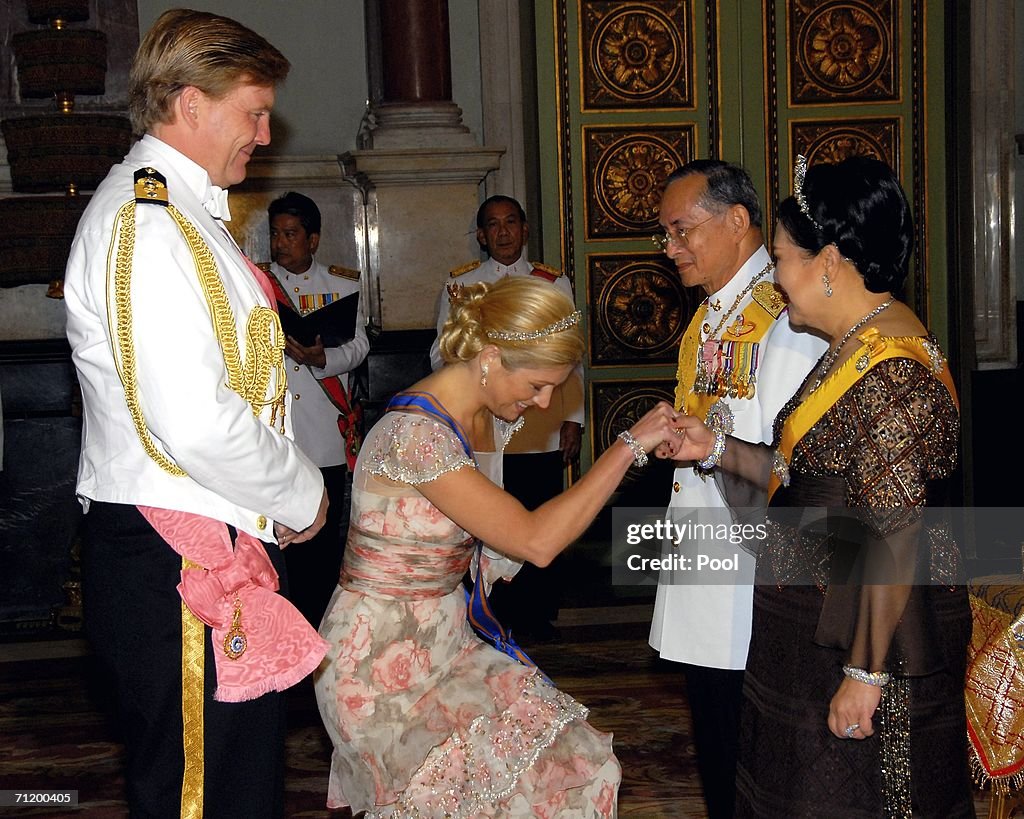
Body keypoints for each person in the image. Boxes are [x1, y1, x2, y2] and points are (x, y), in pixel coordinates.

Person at [63, 10, 329, 818]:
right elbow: (193, 417)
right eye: (252, 110)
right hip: (172, 551)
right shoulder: (145, 223)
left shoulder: (184, 215)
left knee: (234, 788)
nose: (262, 130)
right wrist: (302, 494)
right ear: (189, 103)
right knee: (200, 796)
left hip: (201, 540)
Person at [669, 155, 974, 816]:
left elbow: (890, 531)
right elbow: (798, 475)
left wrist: (864, 675)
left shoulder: (891, 370)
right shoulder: (851, 343)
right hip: (810, 627)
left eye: (780, 259)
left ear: (829, 262)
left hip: (865, 639)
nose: (775, 279)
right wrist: (717, 447)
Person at [314, 275, 683, 817]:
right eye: (537, 385)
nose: (544, 402)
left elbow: (492, 542)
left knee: (579, 763)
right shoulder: (416, 435)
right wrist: (626, 448)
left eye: (555, 388)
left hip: (449, 640)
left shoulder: (485, 419)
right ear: (490, 358)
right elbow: (534, 541)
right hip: (375, 663)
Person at [647, 159, 826, 818]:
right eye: (665, 234)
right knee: (721, 748)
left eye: (680, 230)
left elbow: (797, 467)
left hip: (753, 581)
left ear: (737, 221)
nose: (670, 249)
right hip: (710, 571)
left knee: (757, 759)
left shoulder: (785, 318)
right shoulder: (714, 315)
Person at [429, 194, 585, 642]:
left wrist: (571, 418)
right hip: (483, 426)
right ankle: (490, 612)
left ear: (524, 228)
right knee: (490, 518)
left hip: (537, 426)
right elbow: (441, 352)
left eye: (510, 222)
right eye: (492, 225)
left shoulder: (552, 283)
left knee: (539, 510)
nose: (502, 232)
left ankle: (537, 615)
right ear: (481, 234)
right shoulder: (462, 284)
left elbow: (570, 359)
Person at [265, 191, 369, 626]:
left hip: (325, 432)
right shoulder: (256, 283)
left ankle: (321, 627)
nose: (280, 243)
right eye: (275, 234)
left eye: (290, 234)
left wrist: (321, 359)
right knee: (279, 541)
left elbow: (360, 346)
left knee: (324, 542)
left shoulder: (342, 285)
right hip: (276, 432)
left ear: (313, 239)